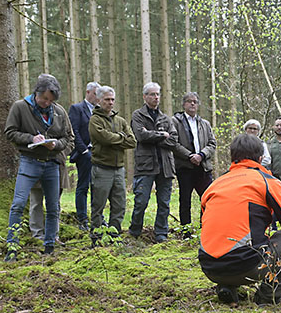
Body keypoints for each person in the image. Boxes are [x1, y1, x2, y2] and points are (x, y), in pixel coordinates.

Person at [199, 134, 281, 305]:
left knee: (229, 237)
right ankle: (267, 296)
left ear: (232, 158)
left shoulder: (214, 185)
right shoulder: (265, 181)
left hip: (209, 267)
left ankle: (226, 286)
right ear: (261, 158)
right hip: (247, 266)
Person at [4, 74, 74, 261]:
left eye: (50, 100)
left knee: (53, 207)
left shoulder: (59, 112)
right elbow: (10, 132)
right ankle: (11, 247)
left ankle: (49, 247)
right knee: (18, 204)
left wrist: (56, 146)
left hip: (52, 164)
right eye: (44, 98)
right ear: (36, 93)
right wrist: (31, 139)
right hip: (29, 161)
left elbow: (68, 138)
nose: (46, 103)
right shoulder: (20, 107)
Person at [128, 82, 178, 243]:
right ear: (144, 96)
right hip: (145, 165)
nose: (156, 97)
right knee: (141, 201)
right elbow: (140, 136)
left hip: (165, 166)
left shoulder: (166, 118)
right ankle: (135, 231)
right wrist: (162, 135)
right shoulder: (137, 115)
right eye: (152, 94)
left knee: (164, 202)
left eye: (158, 94)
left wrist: (154, 136)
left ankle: (161, 234)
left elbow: (174, 140)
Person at [88, 86, 136, 244]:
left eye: (112, 99)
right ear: (99, 100)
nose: (110, 102)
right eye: (107, 99)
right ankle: (96, 238)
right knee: (98, 205)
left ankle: (114, 236)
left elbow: (132, 141)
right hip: (101, 168)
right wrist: (121, 138)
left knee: (119, 204)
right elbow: (103, 138)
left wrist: (115, 138)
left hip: (119, 169)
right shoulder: (95, 119)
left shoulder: (120, 120)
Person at [172, 92, 216, 237]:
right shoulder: (175, 122)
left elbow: (212, 143)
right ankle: (186, 232)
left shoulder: (205, 124)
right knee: (185, 200)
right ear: (184, 104)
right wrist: (189, 155)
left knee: (208, 198)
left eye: (195, 102)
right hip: (185, 167)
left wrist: (201, 155)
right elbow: (173, 143)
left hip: (203, 167)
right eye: (189, 101)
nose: (192, 104)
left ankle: (207, 228)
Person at [69, 81, 100, 230]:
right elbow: (74, 131)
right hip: (84, 154)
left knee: (98, 187)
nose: (98, 98)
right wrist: (84, 151)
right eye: (95, 94)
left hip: (100, 155)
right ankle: (82, 219)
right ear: (88, 93)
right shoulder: (77, 109)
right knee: (83, 186)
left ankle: (97, 218)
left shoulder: (99, 110)